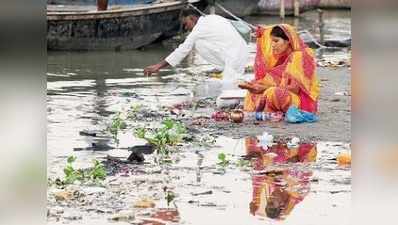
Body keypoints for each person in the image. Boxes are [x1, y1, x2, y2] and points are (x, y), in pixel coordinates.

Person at [144, 9, 249, 89]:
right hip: (241, 53)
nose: (186, 28)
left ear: (192, 18)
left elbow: (183, 50)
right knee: (233, 82)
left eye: (185, 24)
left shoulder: (199, 28)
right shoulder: (213, 17)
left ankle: (225, 70)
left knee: (227, 92)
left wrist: (158, 66)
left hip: (233, 58)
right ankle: (223, 68)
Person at [239, 24, 320, 113]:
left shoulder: (299, 56)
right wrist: (255, 86)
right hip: (285, 95)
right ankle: (267, 110)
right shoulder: (281, 58)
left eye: (276, 41)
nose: (272, 45)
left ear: (288, 40)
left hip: (301, 104)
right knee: (254, 91)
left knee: (273, 93)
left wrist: (264, 88)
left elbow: (295, 89)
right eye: (272, 41)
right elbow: (273, 80)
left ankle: (270, 109)